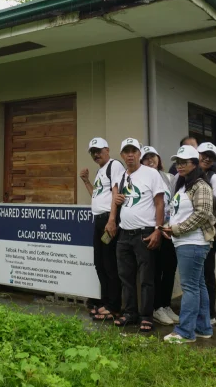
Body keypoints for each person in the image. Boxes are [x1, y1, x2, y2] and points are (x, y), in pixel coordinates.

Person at [110, 138, 165, 333]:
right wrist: (115, 201)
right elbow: (118, 200)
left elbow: (160, 203)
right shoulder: (121, 176)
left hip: (145, 233)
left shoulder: (151, 174)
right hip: (124, 233)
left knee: (146, 277)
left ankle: (146, 316)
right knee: (126, 276)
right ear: (122, 155)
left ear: (140, 154)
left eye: (134, 151)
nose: (130, 154)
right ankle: (130, 312)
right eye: (126, 151)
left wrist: (158, 229)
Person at [161, 145, 215, 344]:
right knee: (198, 286)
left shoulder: (201, 185)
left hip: (193, 243)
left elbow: (202, 214)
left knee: (190, 288)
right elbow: (179, 213)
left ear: (195, 164)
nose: (180, 166)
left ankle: (185, 332)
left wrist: (177, 229)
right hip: (184, 242)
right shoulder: (183, 185)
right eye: (178, 162)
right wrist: (169, 227)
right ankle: (203, 328)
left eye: (184, 162)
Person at [79, 138, 125, 322]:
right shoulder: (100, 171)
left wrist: (112, 219)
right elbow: (97, 196)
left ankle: (114, 306)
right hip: (99, 220)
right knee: (99, 263)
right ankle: (106, 301)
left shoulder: (114, 165)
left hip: (108, 219)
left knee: (109, 264)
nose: (96, 154)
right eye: (93, 152)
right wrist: (86, 181)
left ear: (107, 149)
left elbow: (115, 193)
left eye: (99, 150)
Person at [140, 145, 179, 326]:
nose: (150, 161)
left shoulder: (169, 177)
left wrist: (170, 226)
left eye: (153, 157)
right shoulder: (141, 178)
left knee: (170, 269)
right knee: (155, 271)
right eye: (146, 158)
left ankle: (165, 304)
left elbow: (174, 202)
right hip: (153, 229)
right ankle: (156, 308)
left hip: (170, 230)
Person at [197, 142, 216, 324]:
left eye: (210, 156)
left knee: (207, 275)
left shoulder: (214, 178)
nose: (206, 158)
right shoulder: (187, 175)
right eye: (203, 155)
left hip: (206, 234)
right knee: (193, 277)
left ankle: (210, 313)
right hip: (188, 235)